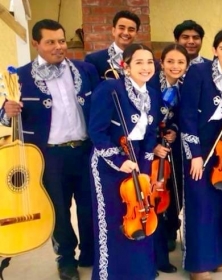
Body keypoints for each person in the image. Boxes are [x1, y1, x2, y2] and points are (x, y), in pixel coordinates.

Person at [0, 19, 98, 280]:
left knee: (90, 205)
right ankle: (66, 259)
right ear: (36, 44)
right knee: (58, 209)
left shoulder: (85, 70)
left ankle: (92, 251)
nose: (59, 46)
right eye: (51, 42)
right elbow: (5, 115)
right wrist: (7, 112)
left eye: (62, 41)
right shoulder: (19, 76)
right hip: (47, 156)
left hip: (85, 150)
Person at [87, 43, 161, 280]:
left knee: (140, 217)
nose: (146, 67)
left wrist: (146, 169)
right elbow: (97, 131)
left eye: (149, 62)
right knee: (113, 220)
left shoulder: (152, 93)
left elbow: (150, 137)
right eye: (138, 62)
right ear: (125, 66)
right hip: (110, 163)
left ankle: (140, 272)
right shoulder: (110, 88)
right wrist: (119, 161)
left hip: (138, 158)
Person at [180, 29, 222, 280]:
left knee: (220, 202)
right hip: (201, 144)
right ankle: (198, 263)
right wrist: (194, 153)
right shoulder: (199, 72)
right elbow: (187, 115)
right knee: (199, 203)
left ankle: (219, 255)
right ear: (215, 51)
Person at [147, 43, 190, 275]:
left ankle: (168, 236)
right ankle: (156, 255)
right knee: (154, 202)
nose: (175, 66)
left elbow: (184, 116)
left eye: (180, 62)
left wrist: (174, 129)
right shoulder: (151, 84)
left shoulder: (185, 87)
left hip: (173, 148)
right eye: (170, 61)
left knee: (173, 197)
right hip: (151, 149)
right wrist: (153, 144)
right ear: (161, 63)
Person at [85, 10, 140, 80]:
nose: (126, 33)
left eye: (131, 30)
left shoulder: (146, 60)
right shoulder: (94, 60)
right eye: (121, 28)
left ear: (136, 34)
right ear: (113, 31)